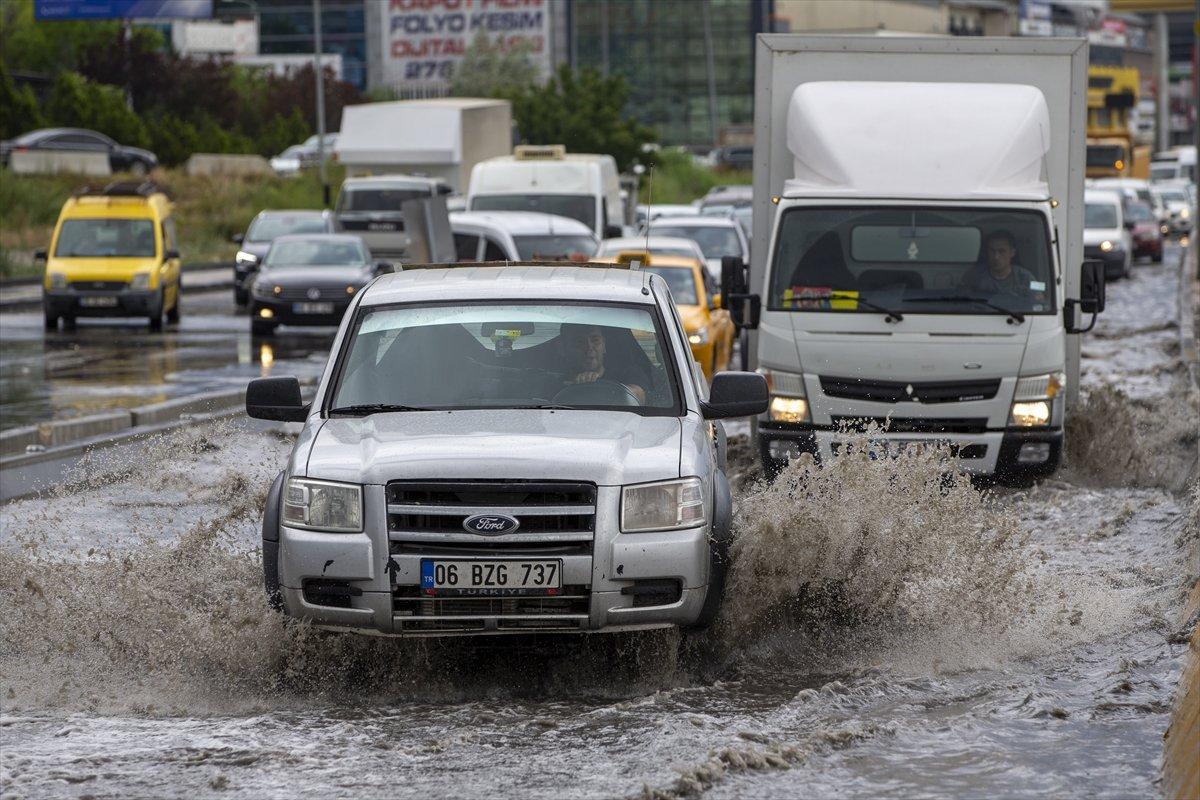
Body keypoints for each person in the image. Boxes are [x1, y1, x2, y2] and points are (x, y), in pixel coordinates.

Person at [559, 324, 647, 403]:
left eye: (595, 340)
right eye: (579, 342)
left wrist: (598, 387)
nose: (589, 347)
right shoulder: (554, 381)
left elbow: (639, 395)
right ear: (563, 349)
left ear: (604, 345)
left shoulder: (628, 373)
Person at [959, 230, 1038, 297]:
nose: (996, 257)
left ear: (1012, 253)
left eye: (1002, 251)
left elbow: (1039, 301)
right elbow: (963, 302)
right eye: (992, 251)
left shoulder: (1026, 277)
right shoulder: (973, 276)